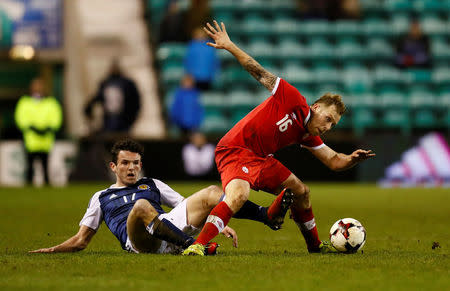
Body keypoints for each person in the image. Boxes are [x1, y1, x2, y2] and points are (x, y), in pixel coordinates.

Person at [183, 21, 376, 256]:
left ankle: (315, 246)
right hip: (235, 150)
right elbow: (257, 71)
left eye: (333, 124)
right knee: (239, 195)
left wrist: (353, 159)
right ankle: (197, 245)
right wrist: (230, 46)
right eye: (327, 119)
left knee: (301, 192)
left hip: (261, 158)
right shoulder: (292, 98)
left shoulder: (307, 133)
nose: (327, 127)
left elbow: (334, 161)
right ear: (314, 107)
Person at [30, 139, 293, 255]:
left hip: (168, 228)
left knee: (214, 192)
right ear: (113, 167)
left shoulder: (152, 183)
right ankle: (193, 245)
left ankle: (266, 215)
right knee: (142, 206)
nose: (132, 168)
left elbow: (184, 206)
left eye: (136, 163)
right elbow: (81, 240)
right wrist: (52, 250)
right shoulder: (101, 197)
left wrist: (221, 223)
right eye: (125, 164)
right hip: (141, 242)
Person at [14, 77, 63, 185]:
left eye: (40, 85)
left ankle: (46, 185)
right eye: (36, 85)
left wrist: (49, 128)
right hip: (30, 140)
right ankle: (28, 186)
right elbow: (21, 117)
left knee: (45, 166)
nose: (38, 88)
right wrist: (31, 127)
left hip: (45, 141)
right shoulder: (25, 102)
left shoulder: (51, 102)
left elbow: (56, 117)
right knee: (29, 166)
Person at [84, 59, 141, 133]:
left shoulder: (127, 83)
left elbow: (135, 101)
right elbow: (98, 97)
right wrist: (89, 109)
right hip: (109, 119)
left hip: (124, 120)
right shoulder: (106, 83)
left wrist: (132, 119)